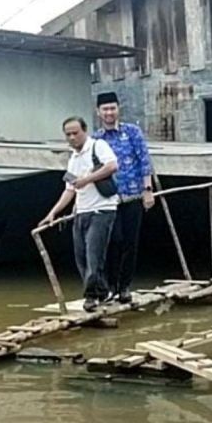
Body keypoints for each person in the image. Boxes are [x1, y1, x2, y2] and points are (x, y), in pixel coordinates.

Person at [39, 116, 119, 312]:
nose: (72, 137)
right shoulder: (73, 158)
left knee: (94, 255)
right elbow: (69, 189)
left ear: (85, 131)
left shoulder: (97, 146)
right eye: (68, 134)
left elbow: (112, 166)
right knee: (81, 257)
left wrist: (87, 180)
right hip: (81, 211)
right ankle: (102, 292)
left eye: (76, 133)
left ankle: (91, 297)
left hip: (102, 209)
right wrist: (53, 213)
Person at [93, 92, 154, 304]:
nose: (109, 112)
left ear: (118, 109)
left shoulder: (132, 132)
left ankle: (125, 287)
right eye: (105, 109)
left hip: (134, 195)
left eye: (112, 108)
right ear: (98, 112)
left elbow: (144, 160)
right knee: (112, 241)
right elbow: (91, 169)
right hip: (108, 199)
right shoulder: (96, 139)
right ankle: (110, 286)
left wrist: (148, 189)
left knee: (130, 242)